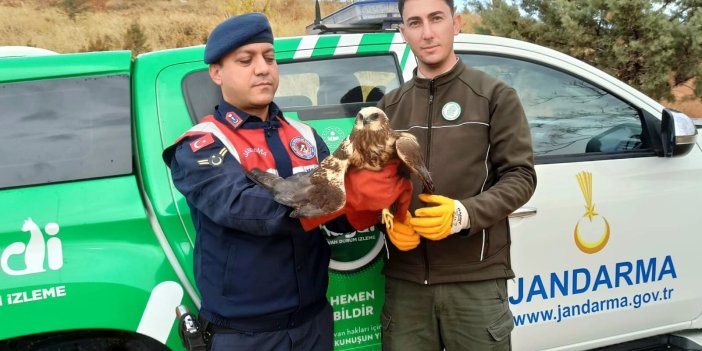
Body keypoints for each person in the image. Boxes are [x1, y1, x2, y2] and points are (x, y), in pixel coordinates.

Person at [162, 13, 398, 351]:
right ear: (216, 72)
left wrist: (368, 203)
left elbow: (339, 220)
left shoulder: (304, 135)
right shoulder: (201, 144)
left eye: (269, 58)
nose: (262, 68)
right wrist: (339, 195)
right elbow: (246, 209)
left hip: (313, 324)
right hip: (246, 334)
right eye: (246, 60)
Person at [378, 0, 537, 350]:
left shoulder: (494, 96)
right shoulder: (387, 109)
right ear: (404, 33)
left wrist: (465, 214)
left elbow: (520, 176)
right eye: (415, 23)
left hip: (475, 282)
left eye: (437, 19)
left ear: (457, 23)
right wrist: (387, 218)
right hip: (406, 287)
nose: (428, 32)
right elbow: (371, 186)